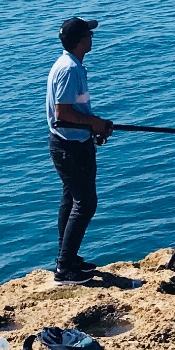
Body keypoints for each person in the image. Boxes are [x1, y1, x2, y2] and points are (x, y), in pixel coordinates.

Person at [46, 16, 115, 283]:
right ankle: (65, 268)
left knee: (71, 201)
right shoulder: (69, 69)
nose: (92, 37)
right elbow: (63, 113)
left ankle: (68, 259)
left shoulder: (71, 65)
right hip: (70, 148)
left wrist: (94, 127)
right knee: (85, 203)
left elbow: (73, 111)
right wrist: (94, 123)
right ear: (80, 41)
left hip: (70, 143)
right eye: (89, 34)